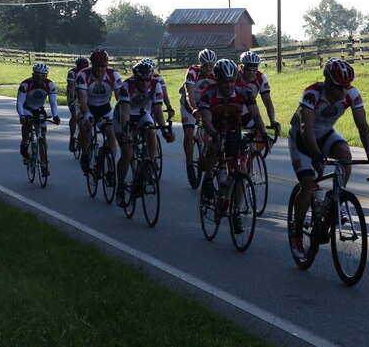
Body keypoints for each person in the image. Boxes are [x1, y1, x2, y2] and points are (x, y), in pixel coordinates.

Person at [287, 57, 369, 260]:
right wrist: (316, 155)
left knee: (345, 157)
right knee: (308, 185)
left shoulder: (352, 94)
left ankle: (334, 201)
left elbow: (362, 125)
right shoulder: (312, 93)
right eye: (339, 87)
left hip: (326, 134)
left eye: (346, 87)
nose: (343, 92)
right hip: (302, 139)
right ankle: (296, 234)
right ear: (327, 82)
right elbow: (305, 128)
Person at [197, 58, 268, 234]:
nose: (229, 85)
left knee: (242, 171)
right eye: (225, 82)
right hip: (214, 129)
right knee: (213, 145)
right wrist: (214, 134)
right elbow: (205, 119)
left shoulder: (244, 91)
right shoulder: (208, 92)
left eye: (232, 81)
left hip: (234, 132)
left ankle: (236, 211)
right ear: (217, 80)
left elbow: (256, 115)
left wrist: (264, 133)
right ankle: (207, 180)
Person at [114, 59, 175, 208]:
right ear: (135, 78)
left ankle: (150, 164)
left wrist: (165, 130)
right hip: (122, 116)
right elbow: (125, 111)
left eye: (148, 79)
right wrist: (125, 131)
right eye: (141, 80)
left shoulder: (156, 85)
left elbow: (158, 110)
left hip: (142, 113)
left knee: (152, 132)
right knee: (127, 153)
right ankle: (120, 188)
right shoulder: (126, 86)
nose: (145, 83)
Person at [75, 48, 123, 182]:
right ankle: (85, 155)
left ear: (107, 64)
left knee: (112, 134)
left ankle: (110, 169)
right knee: (86, 129)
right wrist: (88, 115)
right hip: (86, 107)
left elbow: (121, 99)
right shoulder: (83, 75)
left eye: (103, 66)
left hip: (105, 109)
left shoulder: (114, 75)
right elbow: (82, 101)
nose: (100, 69)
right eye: (96, 65)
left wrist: (123, 115)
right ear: (91, 64)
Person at [179, 48, 218, 187]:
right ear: (200, 64)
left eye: (211, 65)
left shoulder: (216, 74)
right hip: (189, 103)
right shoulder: (192, 71)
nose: (208, 68)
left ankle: (208, 168)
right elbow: (189, 94)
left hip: (205, 103)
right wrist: (194, 109)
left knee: (210, 136)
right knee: (189, 135)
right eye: (205, 65)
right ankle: (190, 165)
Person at [16, 62, 62, 177]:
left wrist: (55, 115)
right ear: (33, 74)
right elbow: (19, 102)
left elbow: (53, 102)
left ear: (46, 76)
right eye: (37, 76)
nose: (40, 79)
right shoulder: (25, 84)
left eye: (43, 76)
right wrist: (22, 116)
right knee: (27, 123)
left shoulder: (50, 85)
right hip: (27, 108)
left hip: (39, 109)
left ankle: (44, 163)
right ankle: (25, 143)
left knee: (43, 135)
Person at [237, 50, 280, 142]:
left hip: (247, 113)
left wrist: (272, 121)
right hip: (231, 111)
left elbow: (267, 101)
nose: (251, 73)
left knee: (262, 134)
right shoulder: (234, 76)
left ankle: (251, 155)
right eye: (248, 69)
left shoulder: (261, 78)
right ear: (242, 67)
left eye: (254, 70)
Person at [66, 55, 90, 152]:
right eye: (81, 67)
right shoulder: (72, 72)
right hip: (74, 95)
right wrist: (71, 100)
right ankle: (72, 137)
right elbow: (71, 87)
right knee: (75, 116)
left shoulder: (89, 72)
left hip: (85, 94)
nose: (83, 69)